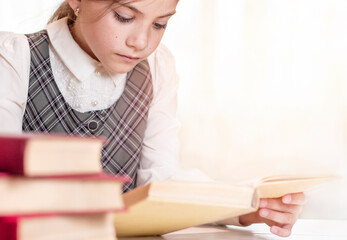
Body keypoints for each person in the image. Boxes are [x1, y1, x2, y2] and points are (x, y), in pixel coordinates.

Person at [0, 0, 305, 237]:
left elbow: (161, 181)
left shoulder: (157, 68)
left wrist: (245, 204)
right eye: (124, 17)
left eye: (160, 24)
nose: (141, 42)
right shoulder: (14, 58)